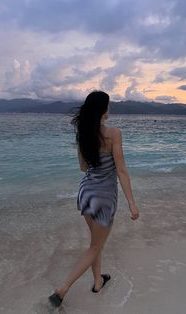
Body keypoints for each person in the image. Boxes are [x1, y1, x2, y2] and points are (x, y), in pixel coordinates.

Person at [48, 91, 139, 308]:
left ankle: (98, 282)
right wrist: (132, 203)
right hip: (104, 198)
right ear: (103, 110)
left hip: (85, 194)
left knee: (95, 244)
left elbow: (83, 167)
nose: (110, 108)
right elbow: (122, 171)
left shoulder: (83, 134)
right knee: (95, 246)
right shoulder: (114, 134)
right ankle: (62, 290)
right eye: (108, 105)